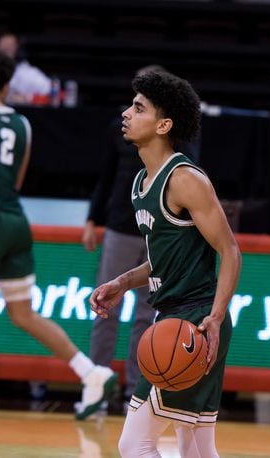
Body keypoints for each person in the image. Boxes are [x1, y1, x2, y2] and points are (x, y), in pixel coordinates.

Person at [0, 49, 117, 419]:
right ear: (7, 83)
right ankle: (91, 374)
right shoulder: (22, 124)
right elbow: (8, 184)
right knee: (23, 314)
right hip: (15, 219)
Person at [90, 70, 242, 457]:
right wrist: (122, 282)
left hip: (195, 321)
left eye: (138, 107)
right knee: (196, 448)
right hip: (176, 316)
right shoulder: (142, 180)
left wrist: (216, 316)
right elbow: (161, 260)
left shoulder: (184, 179)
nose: (126, 113)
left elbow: (230, 251)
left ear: (163, 124)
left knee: (134, 443)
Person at [83, 65, 169, 407]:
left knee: (147, 316)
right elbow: (105, 176)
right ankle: (97, 385)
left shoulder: (175, 131)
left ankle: (137, 389)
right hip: (119, 226)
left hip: (157, 232)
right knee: (105, 306)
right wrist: (92, 218)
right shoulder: (119, 127)